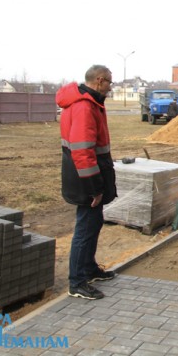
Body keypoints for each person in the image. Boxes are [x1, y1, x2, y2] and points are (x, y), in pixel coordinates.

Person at [57, 65, 118, 300]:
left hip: (89, 175)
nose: (111, 87)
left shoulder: (91, 102)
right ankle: (77, 282)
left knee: (93, 223)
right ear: (100, 80)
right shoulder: (84, 106)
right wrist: (94, 188)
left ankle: (89, 269)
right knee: (84, 228)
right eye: (110, 82)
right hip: (85, 179)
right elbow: (83, 151)